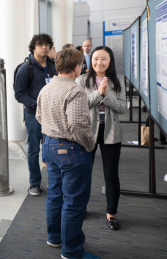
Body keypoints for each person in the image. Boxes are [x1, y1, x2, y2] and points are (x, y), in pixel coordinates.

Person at [37, 49, 100, 259]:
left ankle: (55, 238)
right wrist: (91, 144)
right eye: (82, 64)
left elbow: (38, 116)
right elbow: (78, 126)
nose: (82, 67)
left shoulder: (46, 88)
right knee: (74, 201)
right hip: (72, 150)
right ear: (76, 67)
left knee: (55, 195)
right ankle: (72, 251)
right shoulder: (75, 91)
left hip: (49, 146)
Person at [75, 46, 127, 230]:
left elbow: (122, 108)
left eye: (104, 59)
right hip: (88, 132)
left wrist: (107, 95)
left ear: (110, 61)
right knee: (83, 174)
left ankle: (111, 214)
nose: (99, 62)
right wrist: (99, 94)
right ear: (90, 60)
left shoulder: (117, 81)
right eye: (96, 58)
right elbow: (80, 105)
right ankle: (81, 206)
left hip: (111, 132)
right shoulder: (81, 80)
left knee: (111, 175)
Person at [14, 33, 58, 196]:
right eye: (40, 44)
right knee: (33, 150)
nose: (44, 47)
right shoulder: (26, 68)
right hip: (33, 115)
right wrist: (38, 105)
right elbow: (19, 94)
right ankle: (35, 183)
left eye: (47, 44)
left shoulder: (53, 66)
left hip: (52, 116)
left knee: (52, 148)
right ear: (33, 48)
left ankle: (54, 182)